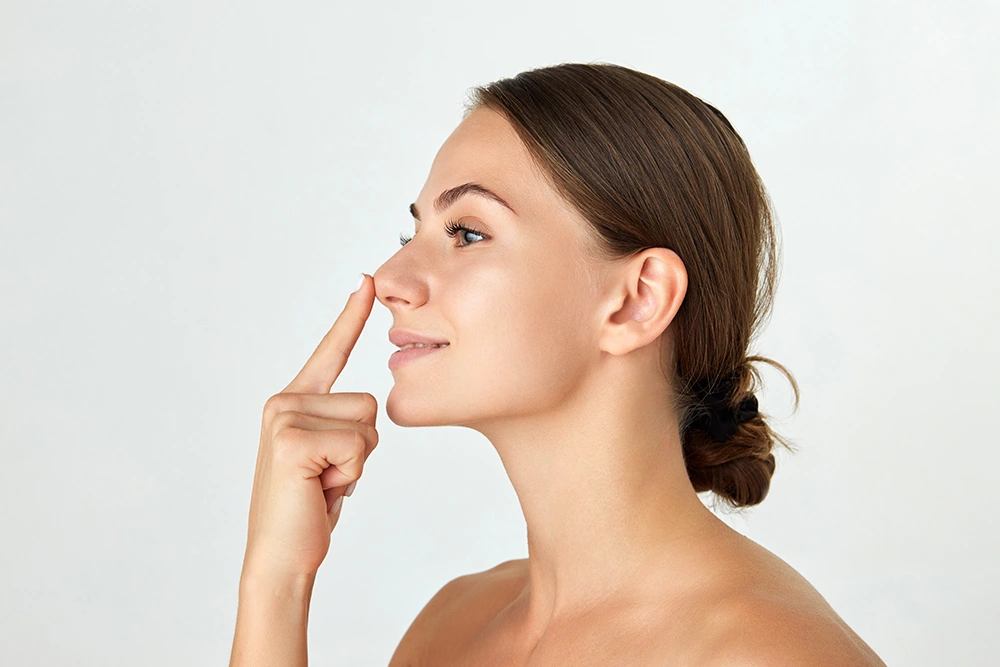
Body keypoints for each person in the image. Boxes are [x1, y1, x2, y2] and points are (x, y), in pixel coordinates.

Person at [229, 62, 887, 666]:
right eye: (414, 233)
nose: (393, 276)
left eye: (467, 232)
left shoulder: (768, 654)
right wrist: (275, 581)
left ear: (636, 299)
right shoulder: (452, 627)